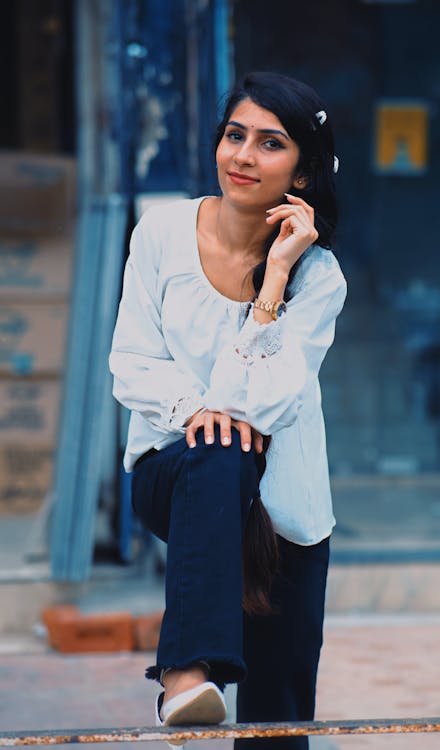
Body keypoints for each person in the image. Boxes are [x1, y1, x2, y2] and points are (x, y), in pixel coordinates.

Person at [109, 71, 347, 749]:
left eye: (270, 143)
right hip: (174, 475)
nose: (242, 156)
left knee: (277, 725)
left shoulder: (318, 279)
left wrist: (274, 280)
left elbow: (263, 404)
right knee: (221, 446)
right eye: (234, 135)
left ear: (301, 174)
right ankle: (184, 673)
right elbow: (130, 363)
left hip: (285, 515)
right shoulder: (161, 233)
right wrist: (194, 412)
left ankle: (196, 673)